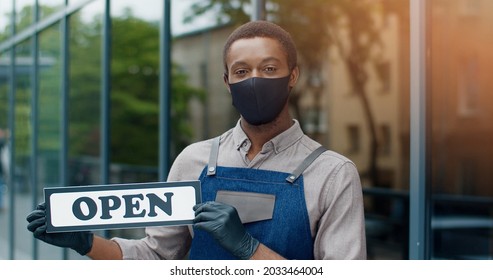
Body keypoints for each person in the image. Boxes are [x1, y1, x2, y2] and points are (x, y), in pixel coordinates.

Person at [26, 20, 366, 260]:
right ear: (227, 80)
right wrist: (87, 242)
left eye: (269, 68)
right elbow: (156, 256)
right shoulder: (195, 160)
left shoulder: (333, 174)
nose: (255, 80)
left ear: (292, 76)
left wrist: (249, 249)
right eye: (242, 71)